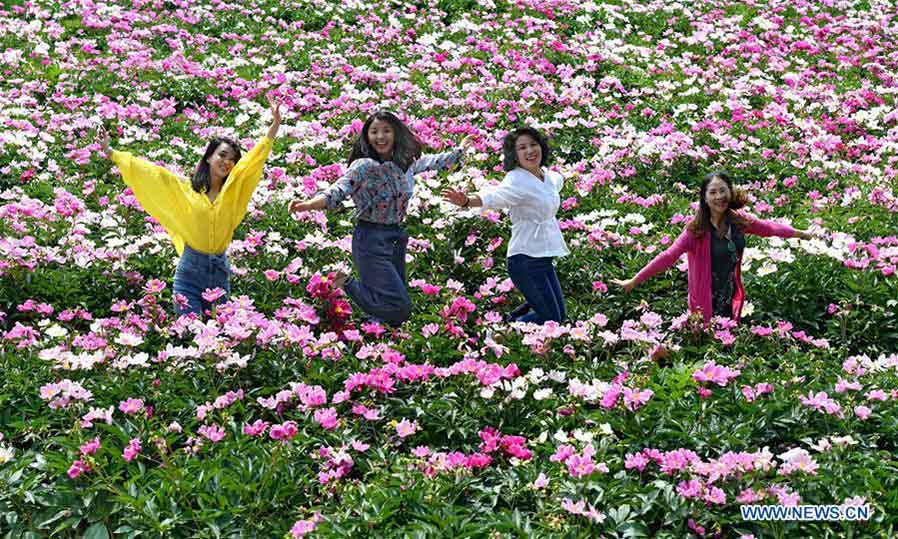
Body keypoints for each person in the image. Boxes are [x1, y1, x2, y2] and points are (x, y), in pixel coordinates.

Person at [97, 96, 282, 317]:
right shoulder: (187, 190)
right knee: (189, 336)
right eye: (222, 155)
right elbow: (152, 174)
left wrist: (275, 125)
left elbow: (254, 159)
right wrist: (110, 152)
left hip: (220, 274)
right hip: (189, 274)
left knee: (220, 338)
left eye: (232, 159)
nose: (227, 162)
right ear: (208, 158)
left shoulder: (234, 192)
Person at [289, 110, 468, 327]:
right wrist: (307, 205)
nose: (380, 137)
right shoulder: (363, 167)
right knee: (399, 307)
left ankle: (378, 338)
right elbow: (338, 190)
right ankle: (345, 282)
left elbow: (433, 162)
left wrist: (461, 150)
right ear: (367, 136)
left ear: (396, 134)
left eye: (386, 131)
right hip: (370, 238)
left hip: (395, 238)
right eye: (374, 132)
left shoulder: (405, 164)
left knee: (393, 306)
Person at [611, 171, 818, 326]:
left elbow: (769, 228)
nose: (719, 196)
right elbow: (668, 256)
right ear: (705, 198)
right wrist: (634, 281)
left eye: (723, 190)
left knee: (728, 343)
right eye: (713, 192)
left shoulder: (739, 221)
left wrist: (801, 234)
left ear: (730, 192)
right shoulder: (696, 231)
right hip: (704, 299)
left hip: (730, 294)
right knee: (707, 343)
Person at [442, 126, 569, 324]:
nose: (530, 151)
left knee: (559, 316)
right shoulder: (516, 180)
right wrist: (467, 200)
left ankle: (510, 321)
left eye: (534, 145)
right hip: (525, 260)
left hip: (543, 258)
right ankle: (506, 330)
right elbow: (493, 196)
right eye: (522, 148)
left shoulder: (548, 177)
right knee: (550, 317)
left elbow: (558, 180)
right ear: (514, 155)